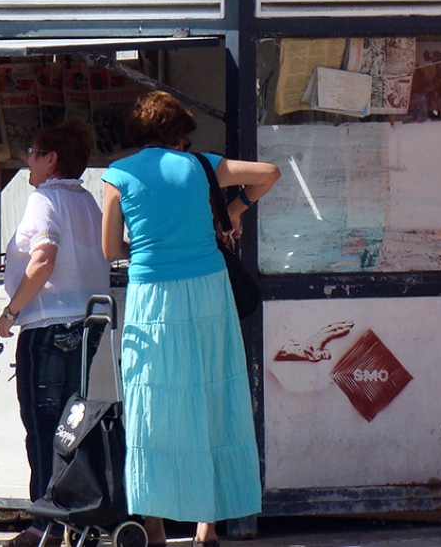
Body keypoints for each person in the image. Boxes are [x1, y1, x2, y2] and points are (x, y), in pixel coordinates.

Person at [100, 92, 281, 547]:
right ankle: (208, 526)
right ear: (178, 132)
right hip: (207, 291)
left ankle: (156, 526)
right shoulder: (201, 166)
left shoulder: (117, 175)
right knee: (211, 394)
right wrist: (232, 213)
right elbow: (269, 174)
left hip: (152, 296)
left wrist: (141, 250)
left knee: (152, 407)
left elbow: (110, 250)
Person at [0, 118, 111, 547]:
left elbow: (43, 256)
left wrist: (11, 311)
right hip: (91, 328)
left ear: (51, 159)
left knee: (44, 427)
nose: (27, 159)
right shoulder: (88, 203)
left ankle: (42, 523)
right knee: (80, 428)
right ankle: (79, 519)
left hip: (48, 328)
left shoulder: (45, 199)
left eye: (33, 151)